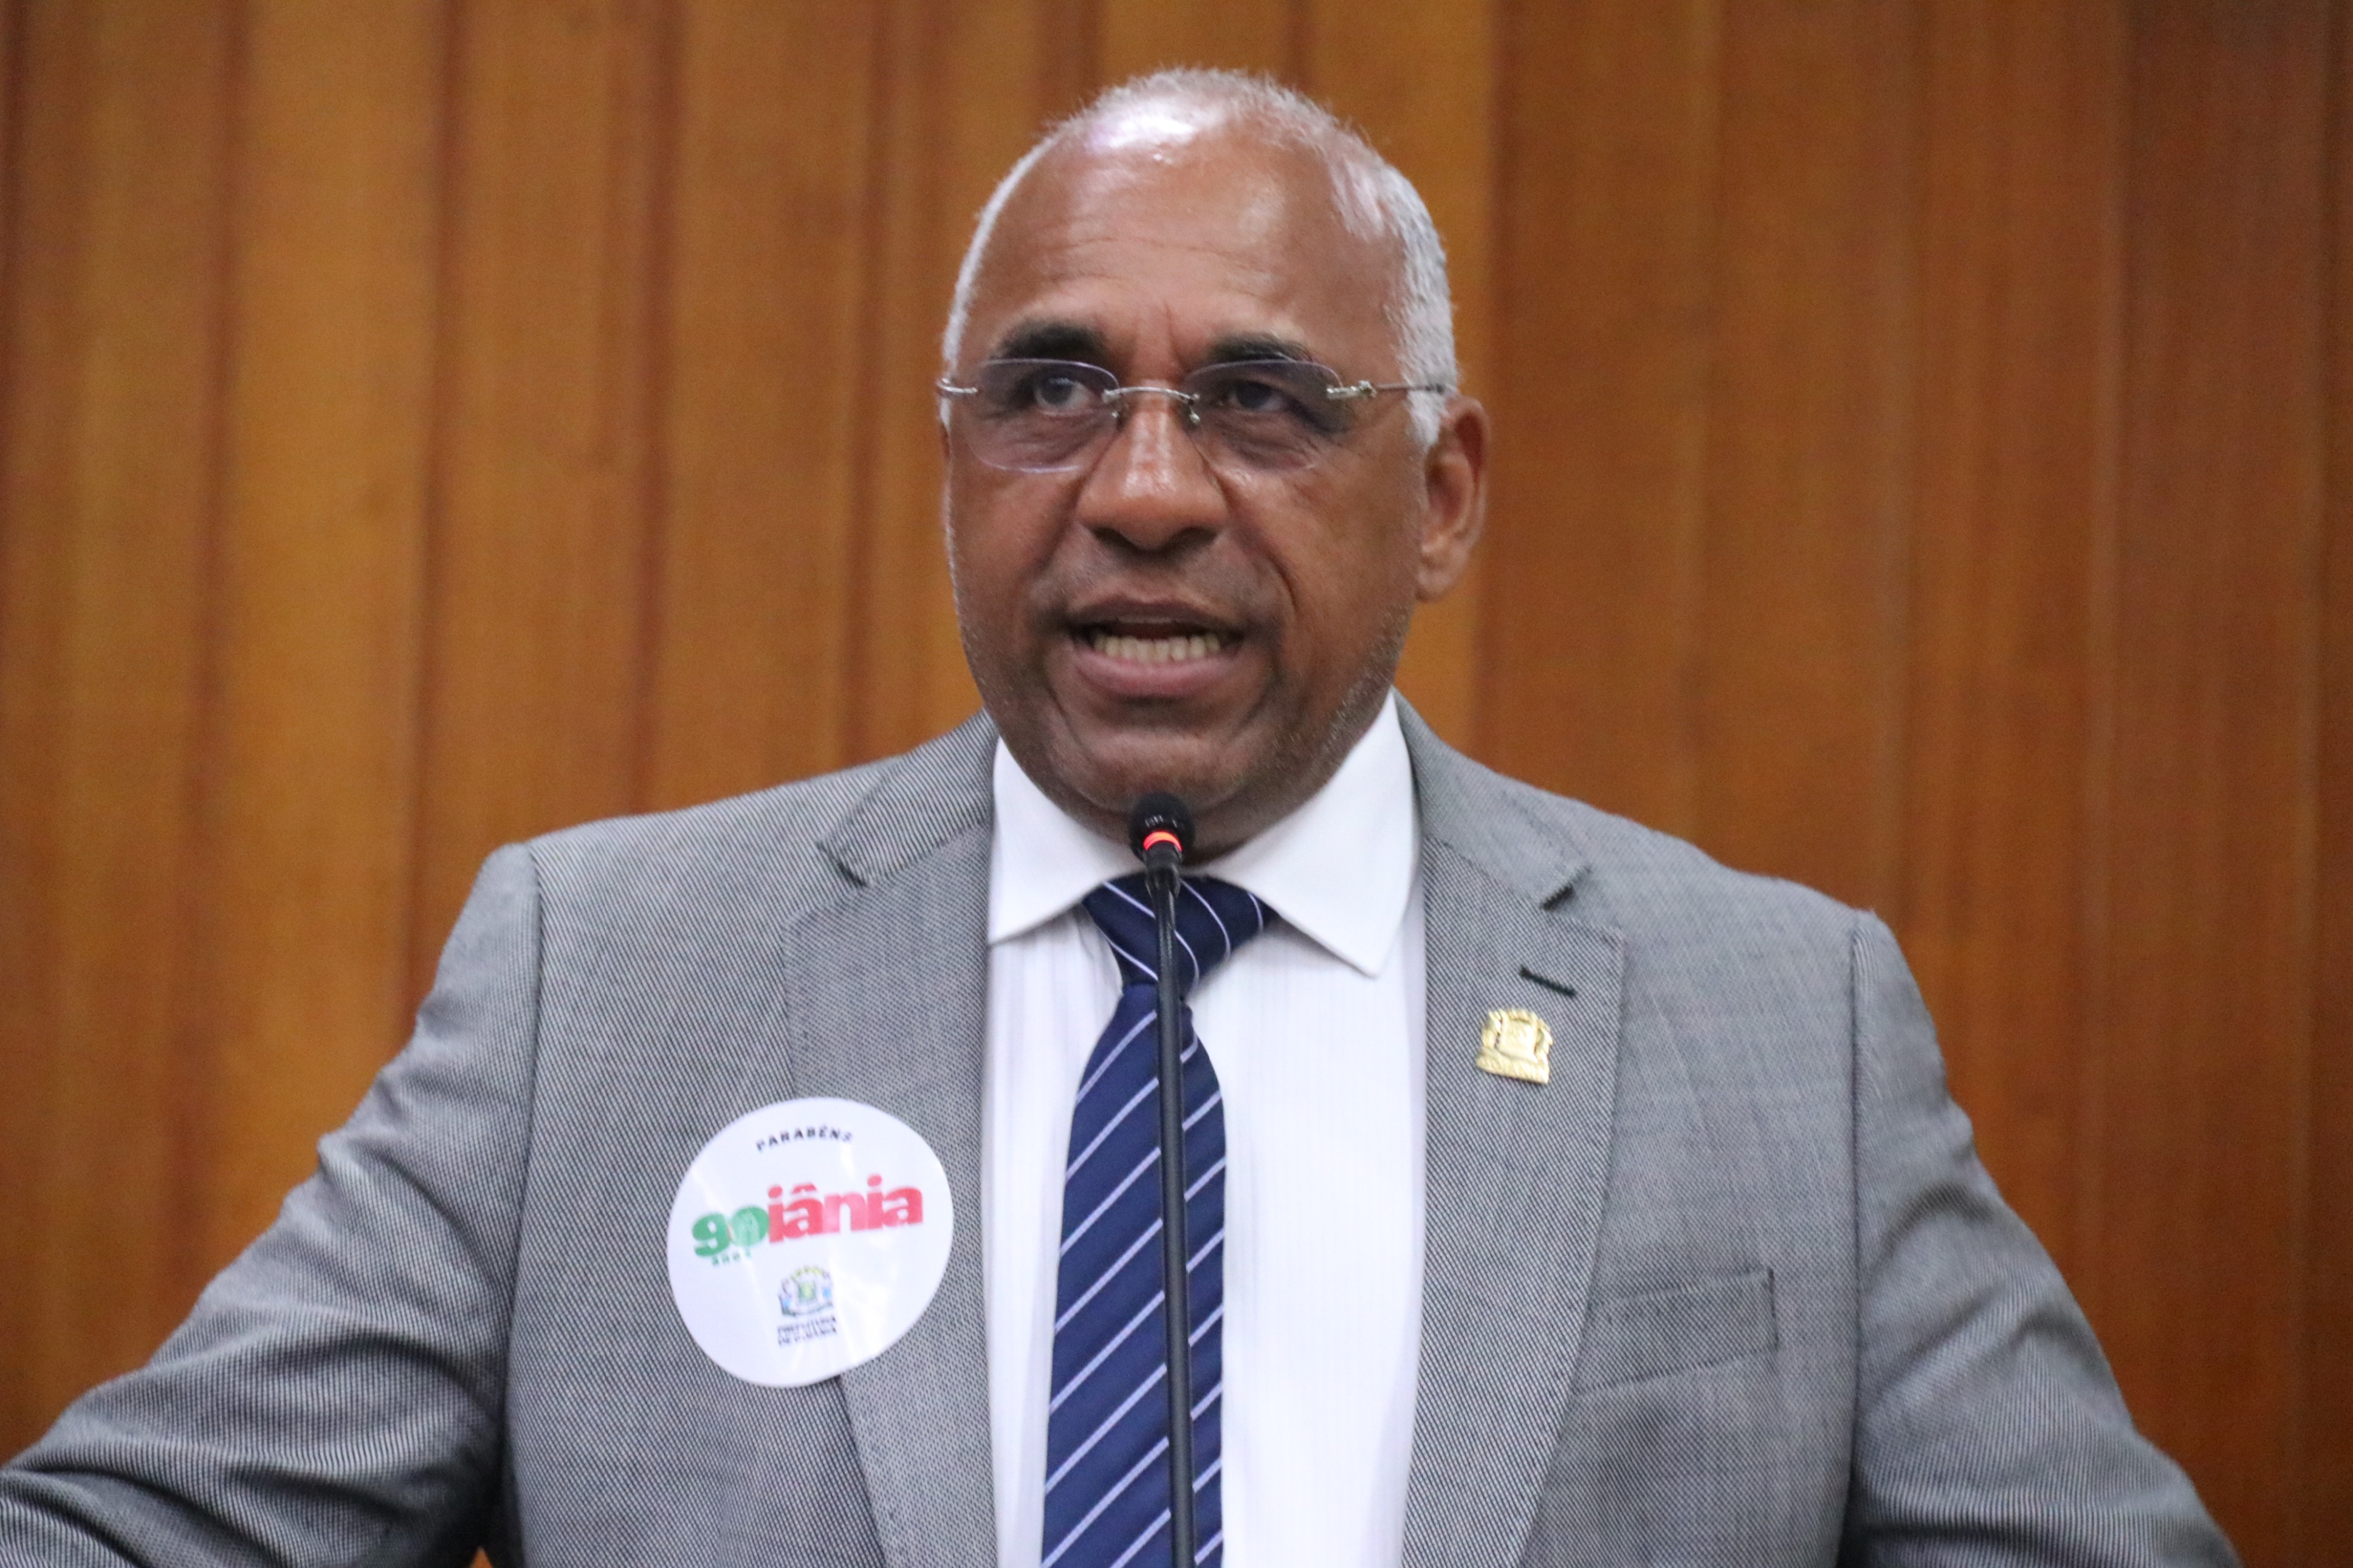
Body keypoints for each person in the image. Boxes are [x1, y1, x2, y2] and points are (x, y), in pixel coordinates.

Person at [1, 69, 2233, 1568]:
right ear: (953, 461)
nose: (1145, 492)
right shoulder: (603, 988)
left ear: (1442, 495)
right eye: (1054, 392)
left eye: (1261, 401)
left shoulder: (1783, 1025)